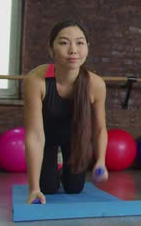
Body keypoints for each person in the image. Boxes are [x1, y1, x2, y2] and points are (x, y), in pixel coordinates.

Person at [23, 20, 108, 204]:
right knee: (48, 188)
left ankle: (62, 170)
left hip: (76, 140)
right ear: (50, 49)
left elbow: (100, 129)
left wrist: (100, 160)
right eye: (63, 42)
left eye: (79, 42)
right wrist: (34, 188)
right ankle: (51, 172)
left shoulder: (96, 84)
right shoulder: (35, 81)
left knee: (74, 188)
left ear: (87, 47)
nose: (73, 50)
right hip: (46, 139)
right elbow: (35, 135)